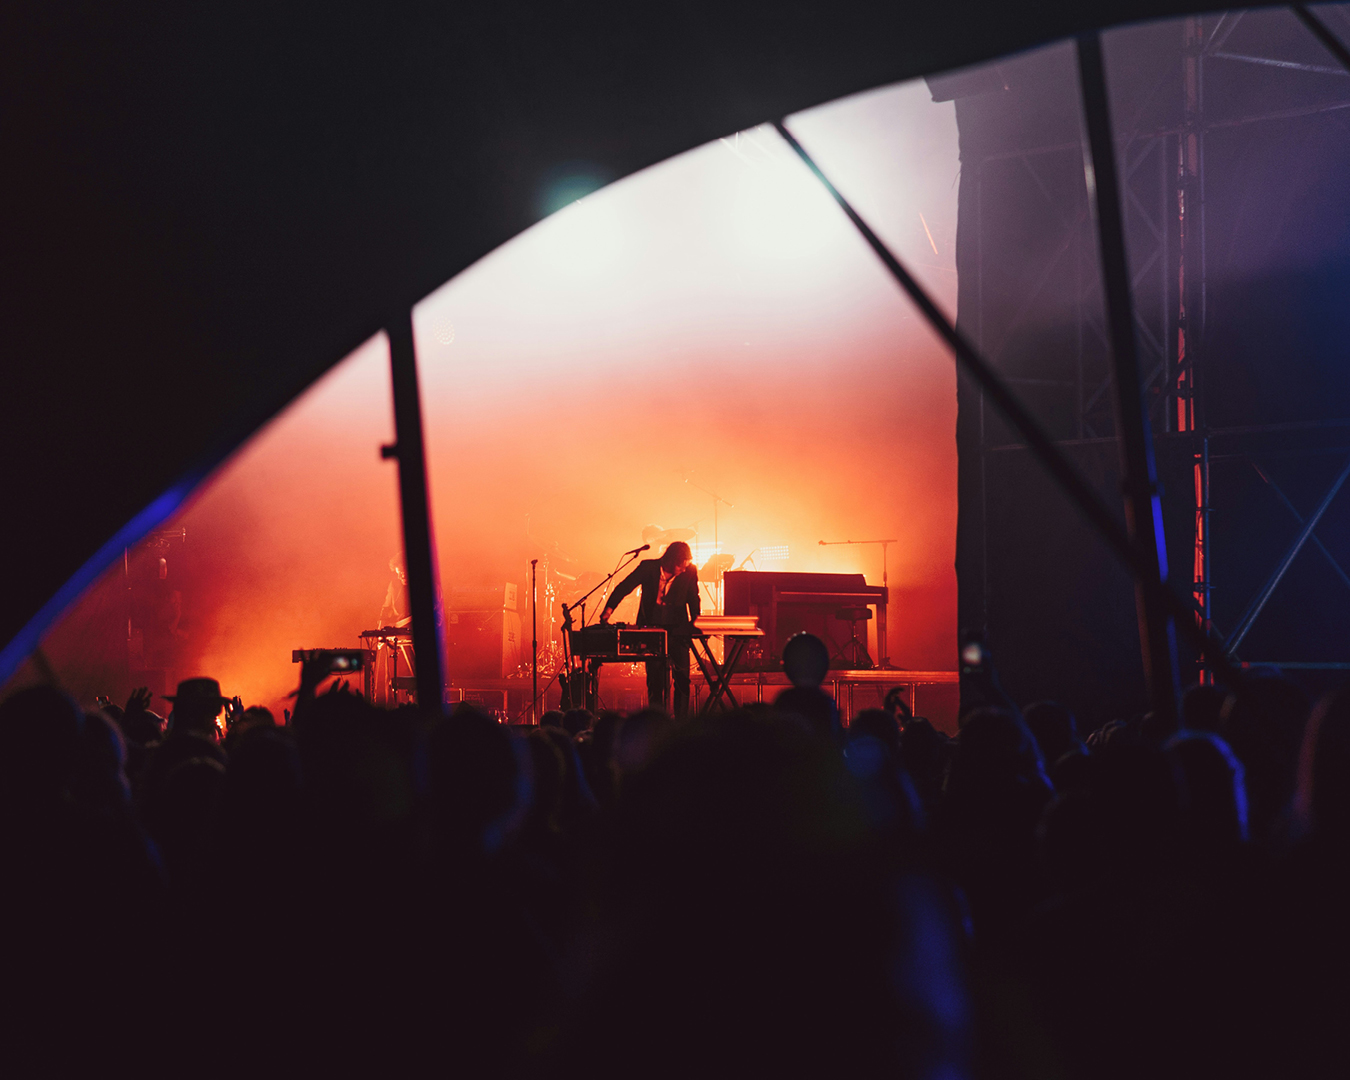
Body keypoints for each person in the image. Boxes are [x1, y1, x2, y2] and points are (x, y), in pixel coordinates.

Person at [600, 541, 699, 716]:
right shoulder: (648, 568)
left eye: (685, 566)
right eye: (680, 566)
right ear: (670, 561)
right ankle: (657, 721)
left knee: (682, 679)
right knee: (655, 680)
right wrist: (608, 610)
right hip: (651, 630)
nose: (683, 570)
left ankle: (681, 721)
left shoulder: (689, 571)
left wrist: (696, 623)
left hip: (678, 630)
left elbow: (693, 597)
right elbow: (625, 587)